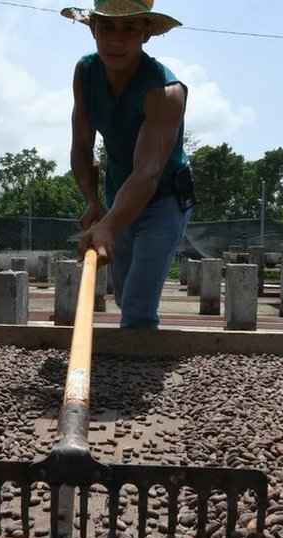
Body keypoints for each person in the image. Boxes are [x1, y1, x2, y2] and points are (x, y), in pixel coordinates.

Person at [61, 0, 195, 330]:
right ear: (93, 27)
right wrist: (93, 201)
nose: (116, 40)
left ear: (146, 33)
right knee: (123, 294)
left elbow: (148, 173)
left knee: (136, 305)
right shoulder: (86, 71)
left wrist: (108, 225)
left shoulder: (166, 91)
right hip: (119, 192)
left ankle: (136, 376)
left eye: (130, 28)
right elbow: (81, 147)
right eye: (107, 27)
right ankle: (131, 351)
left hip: (164, 199)